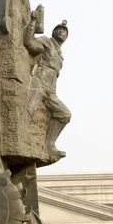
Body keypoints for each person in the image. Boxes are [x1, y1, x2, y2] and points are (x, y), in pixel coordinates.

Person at [24, 13, 71, 159]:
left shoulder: (60, 53)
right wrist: (33, 22)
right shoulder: (46, 41)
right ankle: (21, 138)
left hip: (51, 86)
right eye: (59, 29)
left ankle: (49, 145)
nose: (61, 32)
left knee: (64, 114)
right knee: (28, 108)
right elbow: (29, 42)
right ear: (53, 32)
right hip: (39, 79)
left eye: (64, 31)